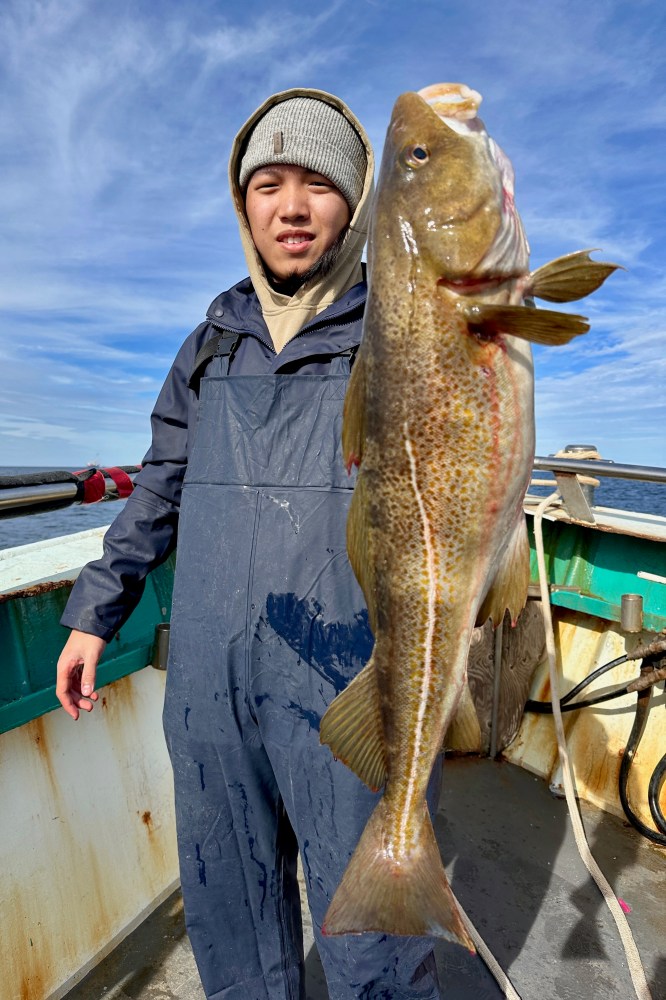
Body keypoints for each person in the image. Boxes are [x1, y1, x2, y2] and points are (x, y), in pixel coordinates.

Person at [56, 88, 442, 1000]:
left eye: (318, 183)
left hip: (347, 680)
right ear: (244, 204)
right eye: (268, 183)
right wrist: (93, 613)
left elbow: (450, 484)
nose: (292, 206)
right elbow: (160, 486)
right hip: (209, 685)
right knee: (230, 910)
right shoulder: (208, 345)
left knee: (373, 939)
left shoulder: (400, 335)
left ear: (355, 205)